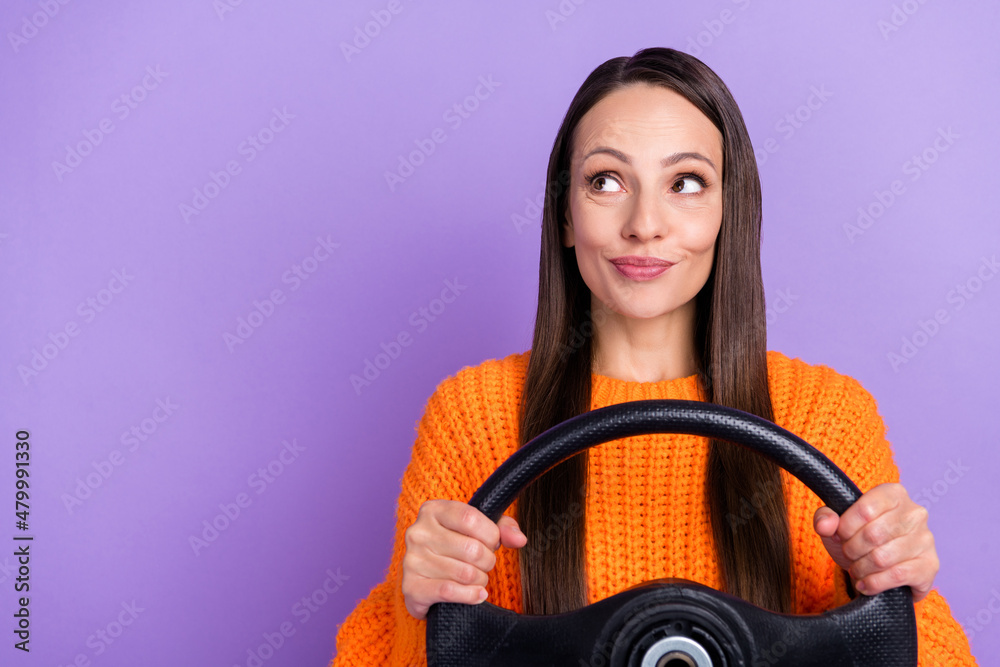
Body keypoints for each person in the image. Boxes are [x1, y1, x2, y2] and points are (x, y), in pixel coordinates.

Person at [330, 47, 976, 665]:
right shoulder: (474, 414)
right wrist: (420, 609)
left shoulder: (826, 416)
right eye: (606, 181)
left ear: (729, 210)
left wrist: (881, 589)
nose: (645, 222)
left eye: (686, 182)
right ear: (564, 214)